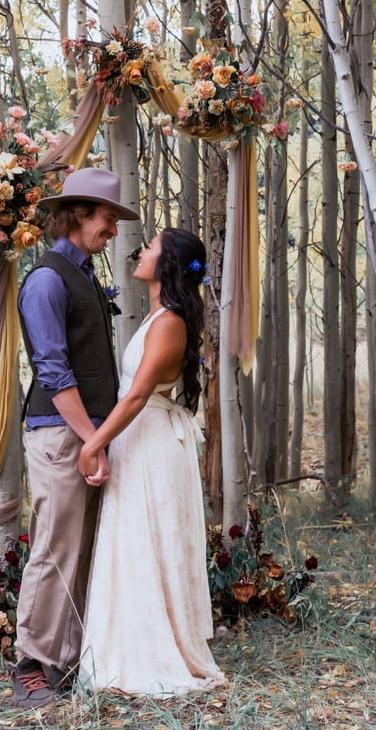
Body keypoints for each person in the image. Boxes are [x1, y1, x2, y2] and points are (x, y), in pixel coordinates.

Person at [78, 228, 226, 696]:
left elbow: (139, 394)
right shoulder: (158, 316)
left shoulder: (170, 322)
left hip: (153, 445)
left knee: (148, 541)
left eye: (152, 247)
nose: (141, 251)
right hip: (137, 442)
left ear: (167, 264)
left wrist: (91, 443)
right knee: (132, 543)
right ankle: (125, 644)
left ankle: (154, 651)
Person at [12, 167, 140, 709]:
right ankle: (31, 665)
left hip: (86, 436)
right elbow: (54, 371)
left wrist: (99, 440)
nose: (113, 230)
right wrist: (91, 440)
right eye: (108, 219)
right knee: (55, 548)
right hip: (60, 435)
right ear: (79, 214)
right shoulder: (45, 280)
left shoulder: (83, 274)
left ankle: (65, 663)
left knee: (83, 549)